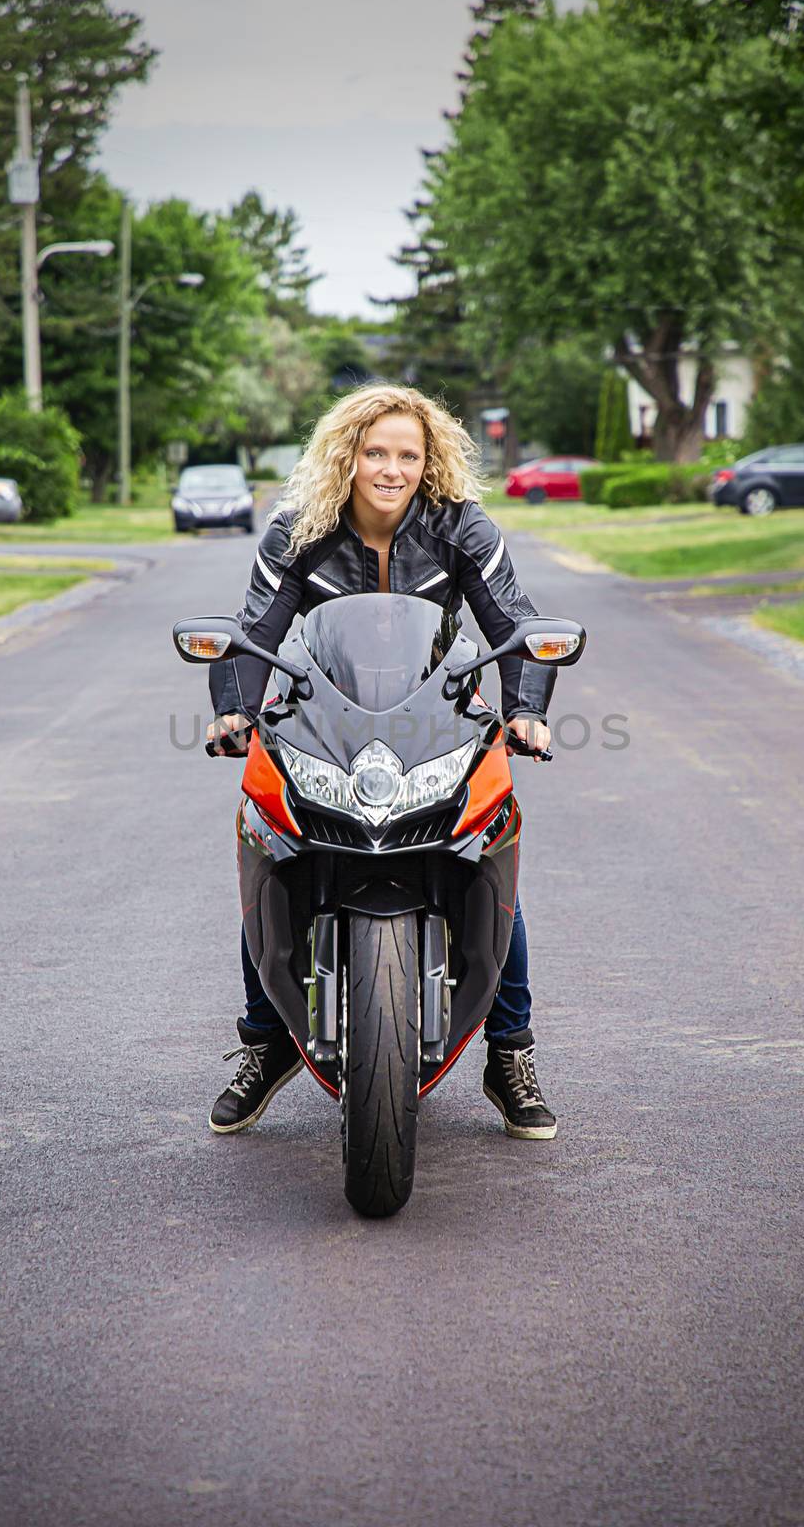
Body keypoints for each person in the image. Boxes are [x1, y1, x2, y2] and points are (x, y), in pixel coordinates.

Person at [206, 384, 559, 1141]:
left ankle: (510, 1055)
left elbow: (512, 621)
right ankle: (265, 1046)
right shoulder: (298, 532)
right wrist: (234, 708)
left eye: (407, 454)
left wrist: (525, 709)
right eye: (375, 452)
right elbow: (254, 631)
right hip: (327, 721)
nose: (390, 468)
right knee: (271, 840)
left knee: (485, 846)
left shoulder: (462, 528)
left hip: (433, 718)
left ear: (428, 461)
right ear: (347, 455)